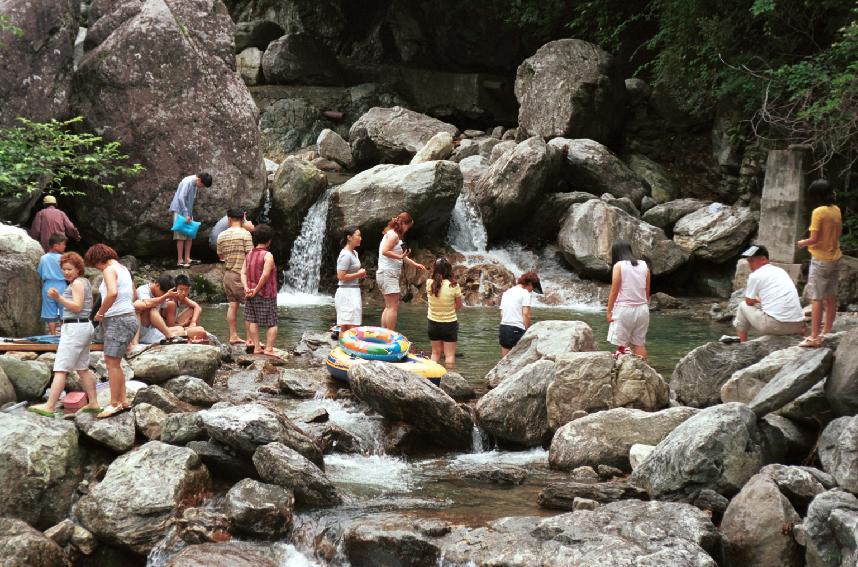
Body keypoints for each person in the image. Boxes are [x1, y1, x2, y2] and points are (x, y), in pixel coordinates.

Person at [28, 252, 101, 417]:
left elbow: (76, 306)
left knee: (61, 368)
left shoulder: (77, 284)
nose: (66, 272)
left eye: (69, 269)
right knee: (82, 367)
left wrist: (58, 297)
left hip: (76, 328)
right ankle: (94, 402)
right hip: (82, 327)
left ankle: (49, 406)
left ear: (78, 268)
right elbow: (85, 306)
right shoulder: (85, 282)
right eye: (63, 269)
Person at [85, 243, 138, 418]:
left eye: (95, 265)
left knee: (111, 363)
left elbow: (112, 293)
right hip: (128, 318)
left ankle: (114, 403)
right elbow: (134, 295)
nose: (97, 269)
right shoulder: (123, 268)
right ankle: (123, 400)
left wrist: (100, 312)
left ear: (99, 259)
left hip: (118, 319)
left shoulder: (109, 269)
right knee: (115, 363)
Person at [797, 179, 842, 347]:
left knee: (816, 298)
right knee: (831, 296)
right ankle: (827, 331)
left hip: (821, 260)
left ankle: (814, 337)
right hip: (835, 257)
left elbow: (814, 239)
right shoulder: (836, 210)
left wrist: (803, 243)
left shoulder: (818, 212)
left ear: (817, 195)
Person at [734, 244, 805, 342]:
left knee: (742, 306)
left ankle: (741, 346)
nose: (749, 264)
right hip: (798, 325)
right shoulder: (781, 271)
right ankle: (800, 338)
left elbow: (748, 301)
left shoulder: (755, 275)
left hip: (777, 325)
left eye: (752, 261)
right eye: (748, 261)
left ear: (763, 260)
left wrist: (757, 300)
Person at [377, 212, 426, 330]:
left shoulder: (392, 234)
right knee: (393, 307)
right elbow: (385, 251)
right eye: (408, 227)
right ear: (404, 224)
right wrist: (399, 257)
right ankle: (390, 334)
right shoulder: (393, 235)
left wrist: (415, 264)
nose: (408, 229)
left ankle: (384, 333)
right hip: (388, 274)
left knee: (389, 306)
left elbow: (401, 255)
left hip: (385, 273)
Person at [606, 240, 651, 360]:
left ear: (616, 253)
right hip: (642, 309)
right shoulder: (644, 265)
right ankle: (643, 372)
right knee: (639, 344)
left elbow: (614, 290)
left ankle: (625, 372)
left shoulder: (619, 266)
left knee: (621, 345)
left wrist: (609, 311)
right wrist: (644, 304)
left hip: (624, 309)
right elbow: (647, 290)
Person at [217, 208, 254, 344]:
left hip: (228, 275)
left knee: (232, 305)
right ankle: (250, 339)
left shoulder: (221, 235)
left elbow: (220, 256)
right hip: (241, 276)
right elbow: (251, 256)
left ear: (229, 219)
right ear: (243, 219)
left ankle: (233, 336)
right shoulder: (245, 234)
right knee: (250, 307)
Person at [241, 224, 278, 356]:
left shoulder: (249, 254)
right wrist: (256, 290)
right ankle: (268, 349)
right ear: (269, 241)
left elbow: (243, 273)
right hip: (266, 294)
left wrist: (246, 288)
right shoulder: (268, 255)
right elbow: (266, 275)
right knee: (272, 323)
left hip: (250, 293)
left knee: (253, 320)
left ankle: (256, 347)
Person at [426, 256, 463, 369]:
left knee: (435, 353)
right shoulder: (454, 285)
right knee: (449, 355)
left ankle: (431, 379)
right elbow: (459, 306)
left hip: (433, 323)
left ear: (435, 269)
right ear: (449, 269)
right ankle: (449, 381)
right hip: (449, 324)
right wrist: (449, 309)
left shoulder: (429, 283)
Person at [169, 172, 212, 267]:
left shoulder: (194, 183)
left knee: (190, 234)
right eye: (203, 185)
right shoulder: (187, 182)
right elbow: (181, 198)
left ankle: (187, 258)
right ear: (199, 180)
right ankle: (180, 261)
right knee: (180, 236)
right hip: (180, 211)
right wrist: (185, 214)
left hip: (187, 212)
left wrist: (189, 214)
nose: (202, 187)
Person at [499, 272, 542, 357]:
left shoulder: (507, 292)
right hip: (517, 330)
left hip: (503, 329)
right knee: (521, 361)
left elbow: (502, 313)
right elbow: (526, 314)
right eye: (533, 288)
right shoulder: (525, 293)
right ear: (529, 283)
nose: (531, 291)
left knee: (504, 361)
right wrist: (528, 331)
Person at [335, 226, 367, 333]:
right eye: (358, 235)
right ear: (349, 237)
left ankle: (343, 348)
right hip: (346, 293)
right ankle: (347, 349)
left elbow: (350, 273)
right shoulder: (345, 255)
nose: (361, 238)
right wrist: (358, 274)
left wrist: (359, 274)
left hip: (353, 290)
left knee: (348, 326)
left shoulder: (355, 253)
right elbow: (340, 276)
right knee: (350, 326)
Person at [133, 275, 181, 345]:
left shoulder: (162, 295)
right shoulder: (142, 290)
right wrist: (165, 296)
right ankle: (169, 336)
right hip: (139, 329)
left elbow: (160, 315)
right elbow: (148, 303)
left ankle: (166, 337)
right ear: (157, 285)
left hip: (152, 329)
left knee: (180, 330)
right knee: (152, 309)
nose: (164, 295)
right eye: (163, 293)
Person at [37, 233, 69, 335]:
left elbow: (40, 273)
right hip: (62, 285)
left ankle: (52, 334)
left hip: (48, 286)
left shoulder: (43, 258)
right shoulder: (64, 258)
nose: (65, 246)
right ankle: (64, 334)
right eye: (63, 244)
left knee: (50, 310)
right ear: (56, 245)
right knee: (64, 310)